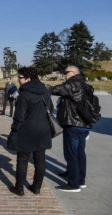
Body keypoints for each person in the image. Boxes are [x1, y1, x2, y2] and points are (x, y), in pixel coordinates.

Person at [8, 66, 53, 196]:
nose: (18, 80)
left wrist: (14, 131)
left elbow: (19, 117)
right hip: (43, 130)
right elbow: (50, 107)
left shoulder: (24, 94)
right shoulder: (44, 91)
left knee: (22, 159)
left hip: (26, 131)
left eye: (20, 78)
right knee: (40, 160)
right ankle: (36, 187)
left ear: (28, 79)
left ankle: (19, 188)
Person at [51, 65, 92, 192]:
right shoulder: (84, 84)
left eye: (66, 73)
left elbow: (55, 89)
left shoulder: (72, 84)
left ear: (73, 73)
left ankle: (74, 184)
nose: (64, 75)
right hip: (84, 125)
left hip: (73, 124)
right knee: (80, 153)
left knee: (71, 153)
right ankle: (80, 180)